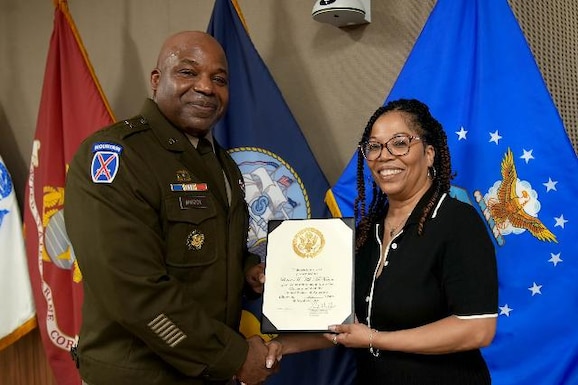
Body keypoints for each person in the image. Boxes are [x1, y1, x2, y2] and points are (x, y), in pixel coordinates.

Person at [64, 31, 276, 385]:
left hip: (205, 371)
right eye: (188, 72)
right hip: (140, 374)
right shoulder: (117, 156)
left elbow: (211, 248)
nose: (206, 87)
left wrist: (249, 270)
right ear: (156, 80)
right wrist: (233, 357)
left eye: (219, 79)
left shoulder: (220, 163)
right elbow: (133, 289)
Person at [266, 98, 498, 384]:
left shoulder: (458, 222)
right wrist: (280, 344)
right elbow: (344, 324)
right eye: (374, 146)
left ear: (429, 154)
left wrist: (375, 339)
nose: (384, 156)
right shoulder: (366, 231)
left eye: (399, 142)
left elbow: (477, 328)